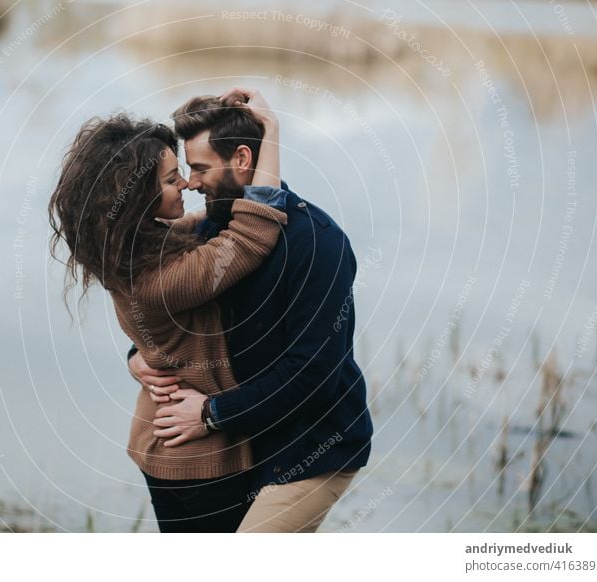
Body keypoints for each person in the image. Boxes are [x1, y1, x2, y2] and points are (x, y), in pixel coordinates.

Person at [128, 87, 374, 532]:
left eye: (200, 168)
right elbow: (172, 311)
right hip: (240, 445)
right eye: (185, 170)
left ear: (243, 159)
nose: (192, 182)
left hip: (309, 445)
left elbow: (312, 372)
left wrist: (210, 413)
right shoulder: (213, 232)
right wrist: (138, 357)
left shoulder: (317, 244)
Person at [47, 91, 287, 532]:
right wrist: (270, 132)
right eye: (171, 179)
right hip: (196, 459)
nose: (186, 186)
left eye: (184, 173)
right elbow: (252, 233)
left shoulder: (129, 247)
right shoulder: (160, 278)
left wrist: (137, 358)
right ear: (137, 198)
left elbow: (202, 224)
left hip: (162, 441)